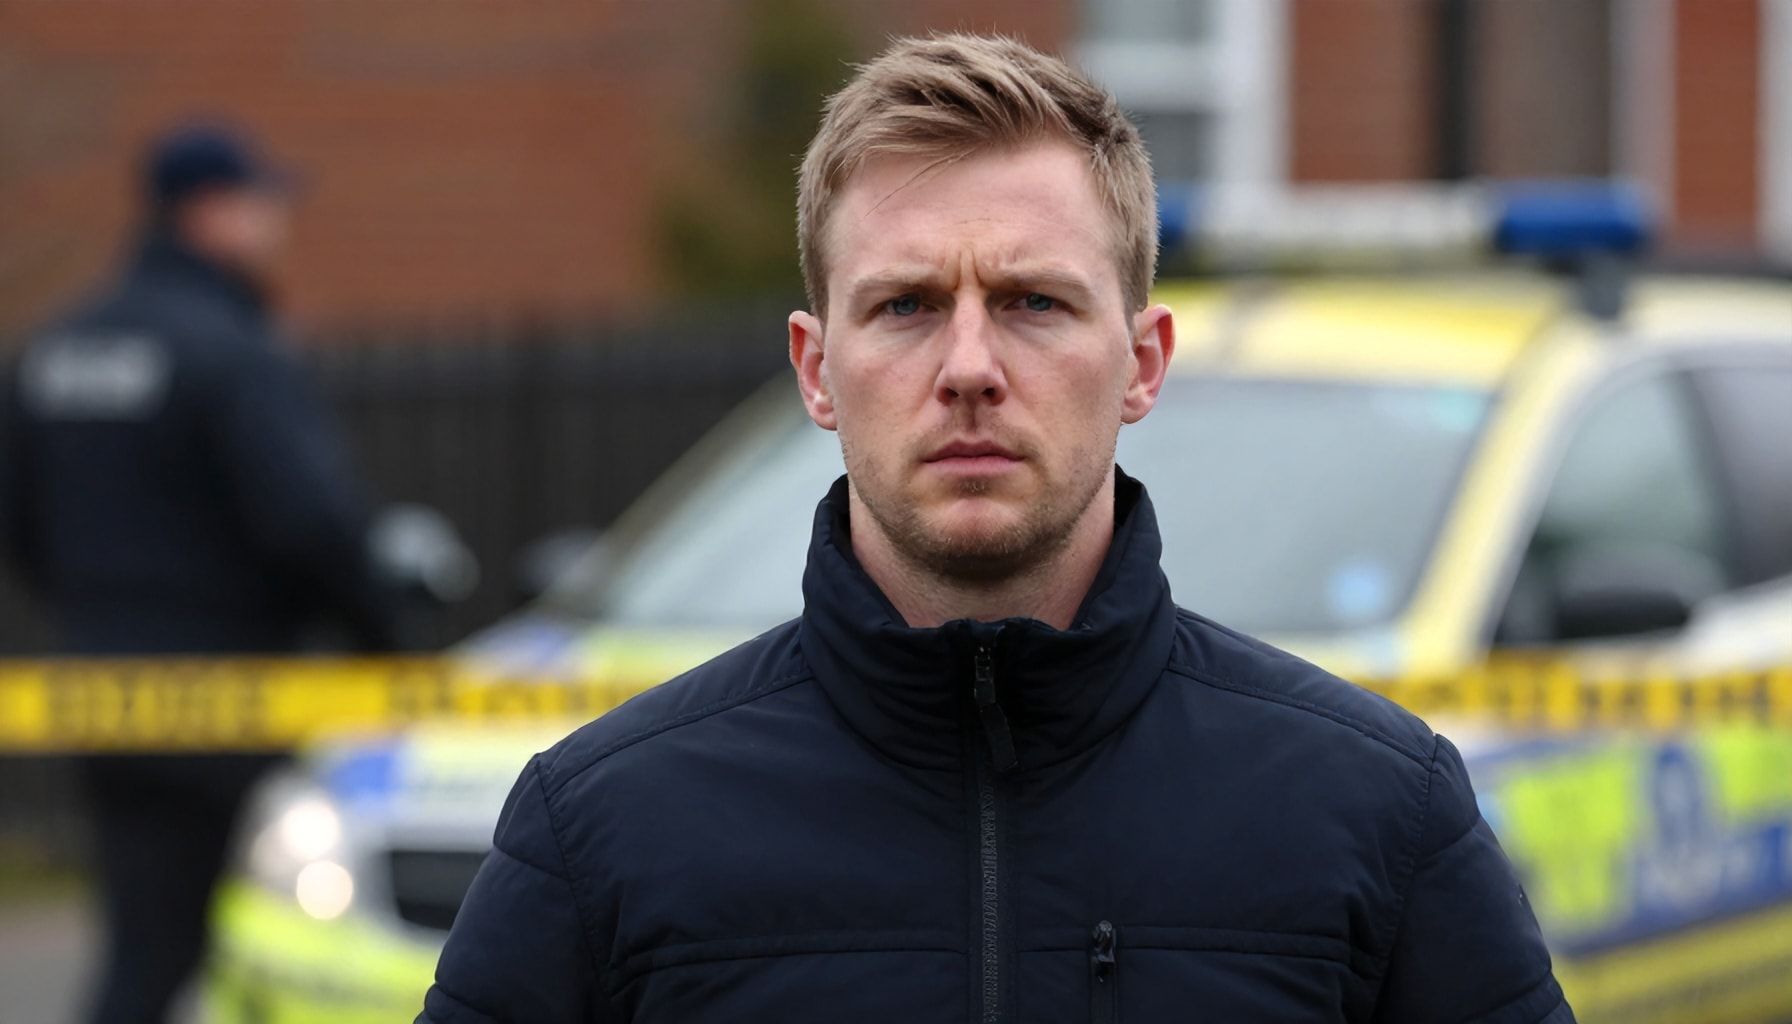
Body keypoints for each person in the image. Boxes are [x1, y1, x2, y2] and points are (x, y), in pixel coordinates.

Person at [420, 34, 1572, 1023]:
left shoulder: (1376, 813)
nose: (968, 366)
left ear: (1143, 361)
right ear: (817, 371)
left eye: (1032, 301)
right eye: (906, 305)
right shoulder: (603, 828)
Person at [0, 124, 395, 1023]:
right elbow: (312, 524)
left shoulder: (57, 348)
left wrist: (96, 616)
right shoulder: (229, 350)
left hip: (101, 693)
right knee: (287, 949)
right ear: (208, 211)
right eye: (262, 202)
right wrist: (381, 638)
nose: (276, 223)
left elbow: (17, 518)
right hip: (235, 696)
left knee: (145, 946)